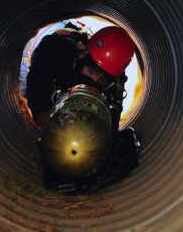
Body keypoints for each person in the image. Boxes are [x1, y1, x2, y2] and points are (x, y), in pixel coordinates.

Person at [26, 22, 140, 193]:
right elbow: (38, 94)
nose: (94, 81)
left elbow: (108, 128)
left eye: (102, 80)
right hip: (50, 47)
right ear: (82, 57)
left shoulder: (112, 83)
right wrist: (55, 134)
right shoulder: (55, 51)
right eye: (91, 71)